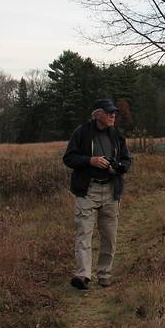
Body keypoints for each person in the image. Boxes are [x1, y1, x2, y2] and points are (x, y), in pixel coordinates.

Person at [63, 98, 132, 289]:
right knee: (84, 234)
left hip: (111, 191)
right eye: (109, 112)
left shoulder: (117, 135)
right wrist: (90, 161)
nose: (113, 115)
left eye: (114, 113)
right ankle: (83, 276)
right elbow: (68, 158)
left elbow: (127, 161)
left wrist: (116, 168)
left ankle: (104, 275)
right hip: (87, 191)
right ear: (97, 114)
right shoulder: (82, 133)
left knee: (109, 237)